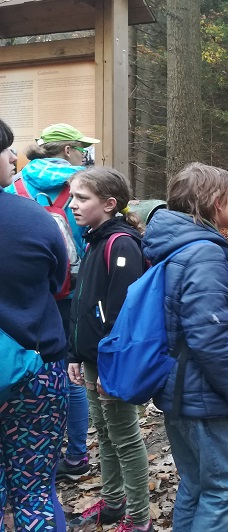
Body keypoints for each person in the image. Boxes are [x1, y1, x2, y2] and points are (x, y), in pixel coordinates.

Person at [143, 162, 228, 531]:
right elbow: (208, 335)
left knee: (195, 481)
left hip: (178, 388)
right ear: (216, 202)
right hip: (200, 393)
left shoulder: (176, 244)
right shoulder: (204, 253)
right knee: (225, 485)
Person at [4, 123, 100, 481]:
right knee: (70, 373)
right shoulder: (85, 186)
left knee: (20, 368)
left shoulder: (16, 185)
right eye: (81, 148)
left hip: (28, 297)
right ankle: (75, 455)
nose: (84, 154)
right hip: (74, 293)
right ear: (68, 150)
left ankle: (23, 449)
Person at [65, 167, 152, 532]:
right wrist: (75, 354)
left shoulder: (122, 244)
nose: (73, 205)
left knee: (125, 436)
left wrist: (110, 367)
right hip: (92, 358)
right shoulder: (94, 240)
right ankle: (114, 501)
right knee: (103, 431)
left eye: (82, 198)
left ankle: (140, 519)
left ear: (110, 203)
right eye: (72, 197)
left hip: (111, 362)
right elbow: (84, 303)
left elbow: (122, 314)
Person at [0, 118, 70, 530]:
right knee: (35, 493)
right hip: (34, 374)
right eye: (5, 148)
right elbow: (59, 284)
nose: (13, 156)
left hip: (33, 372)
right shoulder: (34, 218)